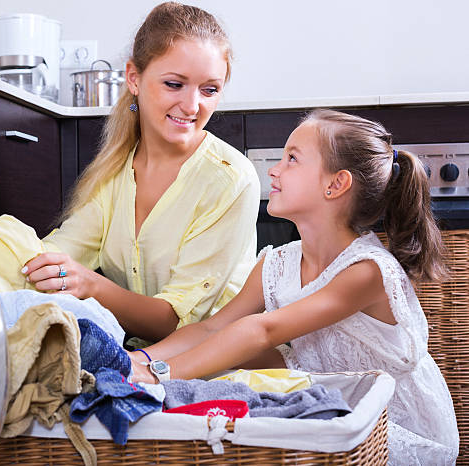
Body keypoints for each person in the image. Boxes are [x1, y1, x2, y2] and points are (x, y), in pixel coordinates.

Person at [129, 109, 459, 465]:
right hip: (326, 405)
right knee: (229, 357)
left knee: (248, 351)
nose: (274, 169)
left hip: (388, 426)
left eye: (292, 159)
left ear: (336, 184)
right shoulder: (277, 265)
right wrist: (139, 360)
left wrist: (156, 375)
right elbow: (212, 327)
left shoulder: (367, 271)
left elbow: (264, 329)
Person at [0, 2, 260, 342]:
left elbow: (177, 321)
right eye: (175, 84)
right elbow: (46, 261)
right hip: (140, 353)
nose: (192, 106)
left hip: (218, 361)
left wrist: (92, 286)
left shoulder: (231, 180)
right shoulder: (115, 173)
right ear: (134, 78)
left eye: (209, 90)